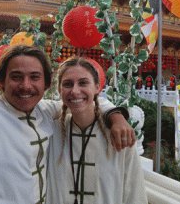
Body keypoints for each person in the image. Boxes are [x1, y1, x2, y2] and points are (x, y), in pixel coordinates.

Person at [0, 45, 135, 204]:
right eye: (16, 77)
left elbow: (82, 101)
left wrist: (115, 115)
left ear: (46, 84)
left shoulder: (44, 111)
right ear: (1, 81)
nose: (26, 86)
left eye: (35, 77)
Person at [46, 57, 147, 204]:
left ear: (97, 87)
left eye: (83, 83)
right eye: (68, 84)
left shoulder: (118, 137)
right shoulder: (51, 131)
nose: (74, 91)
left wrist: (116, 116)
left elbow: (135, 195)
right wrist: (115, 115)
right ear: (60, 90)